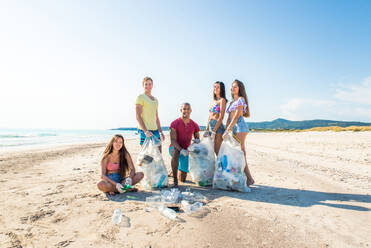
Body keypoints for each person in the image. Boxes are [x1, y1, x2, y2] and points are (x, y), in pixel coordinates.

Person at [223, 79, 255, 186]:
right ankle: (243, 178)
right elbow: (229, 118)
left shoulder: (241, 99)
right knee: (239, 153)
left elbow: (236, 117)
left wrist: (228, 130)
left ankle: (249, 179)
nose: (232, 88)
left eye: (235, 86)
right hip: (234, 128)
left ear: (239, 88)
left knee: (240, 153)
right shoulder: (231, 102)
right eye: (232, 86)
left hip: (240, 127)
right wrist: (226, 130)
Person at [169, 103, 200, 187]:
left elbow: (197, 138)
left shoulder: (194, 125)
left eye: (188, 109)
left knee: (183, 179)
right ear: (181, 111)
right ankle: (175, 180)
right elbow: (173, 140)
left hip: (186, 151)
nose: (186, 111)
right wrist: (181, 150)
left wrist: (196, 141)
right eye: (184, 109)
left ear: (190, 111)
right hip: (174, 147)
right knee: (176, 152)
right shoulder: (175, 123)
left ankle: (175, 170)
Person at [136, 77, 165, 151]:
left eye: (150, 84)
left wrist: (161, 132)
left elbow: (156, 117)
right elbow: (138, 116)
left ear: (152, 85)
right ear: (143, 85)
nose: (148, 86)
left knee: (159, 151)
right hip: (144, 130)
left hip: (155, 130)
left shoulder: (156, 100)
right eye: (146, 84)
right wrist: (145, 131)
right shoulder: (140, 97)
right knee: (145, 155)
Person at [204, 81, 227, 155]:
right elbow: (210, 115)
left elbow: (221, 117)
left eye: (218, 87)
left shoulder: (222, 100)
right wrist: (207, 128)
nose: (215, 89)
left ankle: (221, 166)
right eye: (214, 87)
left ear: (221, 89)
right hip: (211, 126)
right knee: (212, 150)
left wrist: (214, 131)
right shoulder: (213, 101)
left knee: (218, 151)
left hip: (217, 127)